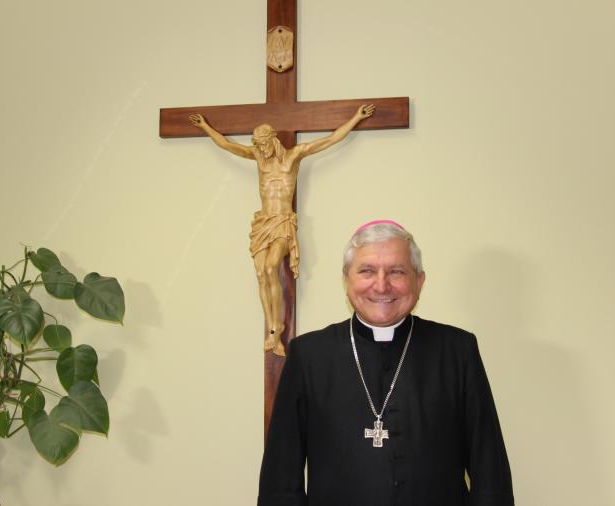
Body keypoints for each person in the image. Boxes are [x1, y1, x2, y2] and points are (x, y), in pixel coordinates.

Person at [258, 220, 514, 506]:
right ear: (346, 280)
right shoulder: (308, 356)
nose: (381, 285)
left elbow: (490, 475)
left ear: (420, 281)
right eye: (367, 271)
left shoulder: (457, 351)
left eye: (397, 271)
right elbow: (280, 483)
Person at [189, 105, 375, 356]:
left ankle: (277, 329)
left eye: (262, 144)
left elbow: (330, 139)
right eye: (257, 145)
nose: (260, 149)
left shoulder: (294, 156)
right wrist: (205, 127)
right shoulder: (258, 158)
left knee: (271, 267)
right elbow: (227, 145)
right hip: (263, 223)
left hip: (283, 223)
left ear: (272, 139)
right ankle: (271, 326)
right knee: (260, 273)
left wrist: (355, 118)